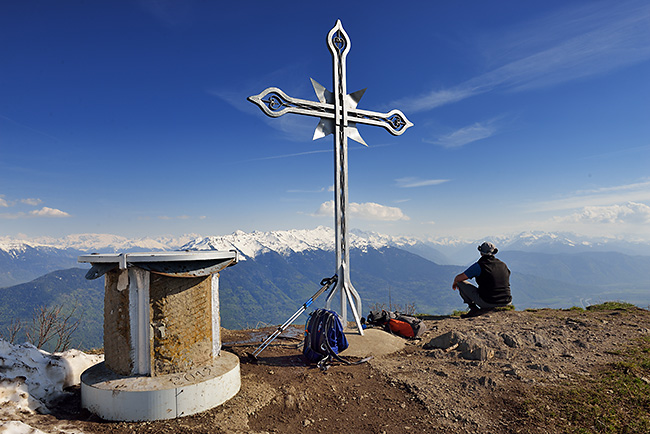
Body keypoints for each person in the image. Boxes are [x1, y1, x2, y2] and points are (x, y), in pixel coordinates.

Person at [452, 242, 512, 318]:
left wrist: (455, 282)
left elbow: (459, 278)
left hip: (488, 302)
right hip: (507, 301)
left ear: (481, 253)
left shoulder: (479, 266)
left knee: (460, 283)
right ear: (494, 252)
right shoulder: (503, 265)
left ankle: (473, 309)